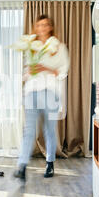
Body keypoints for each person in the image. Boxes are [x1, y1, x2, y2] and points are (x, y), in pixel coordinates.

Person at [13, 15, 70, 181]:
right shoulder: (31, 47)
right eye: (39, 25)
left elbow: (63, 71)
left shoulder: (59, 47)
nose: (42, 28)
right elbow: (25, 73)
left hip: (51, 92)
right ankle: (22, 166)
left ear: (50, 27)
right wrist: (28, 72)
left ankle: (50, 163)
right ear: (35, 28)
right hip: (31, 92)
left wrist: (46, 67)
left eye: (45, 25)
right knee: (29, 130)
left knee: (49, 130)